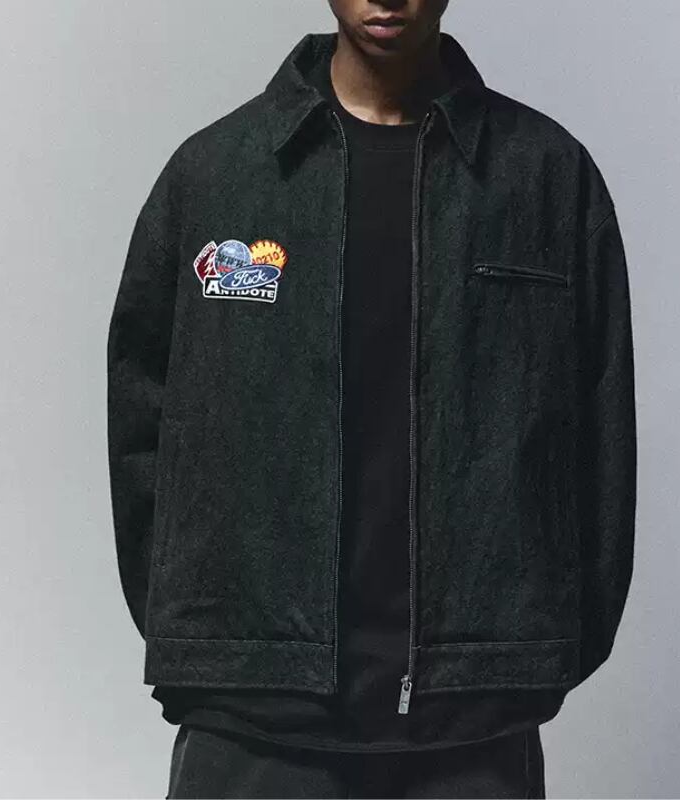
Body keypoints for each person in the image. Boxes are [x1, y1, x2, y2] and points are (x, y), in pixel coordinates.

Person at [106, 1, 637, 797]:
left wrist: (526, 650)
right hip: (254, 715)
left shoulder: (546, 178)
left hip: (473, 715)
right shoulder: (215, 174)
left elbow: (602, 433)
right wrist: (215, 639)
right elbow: (142, 421)